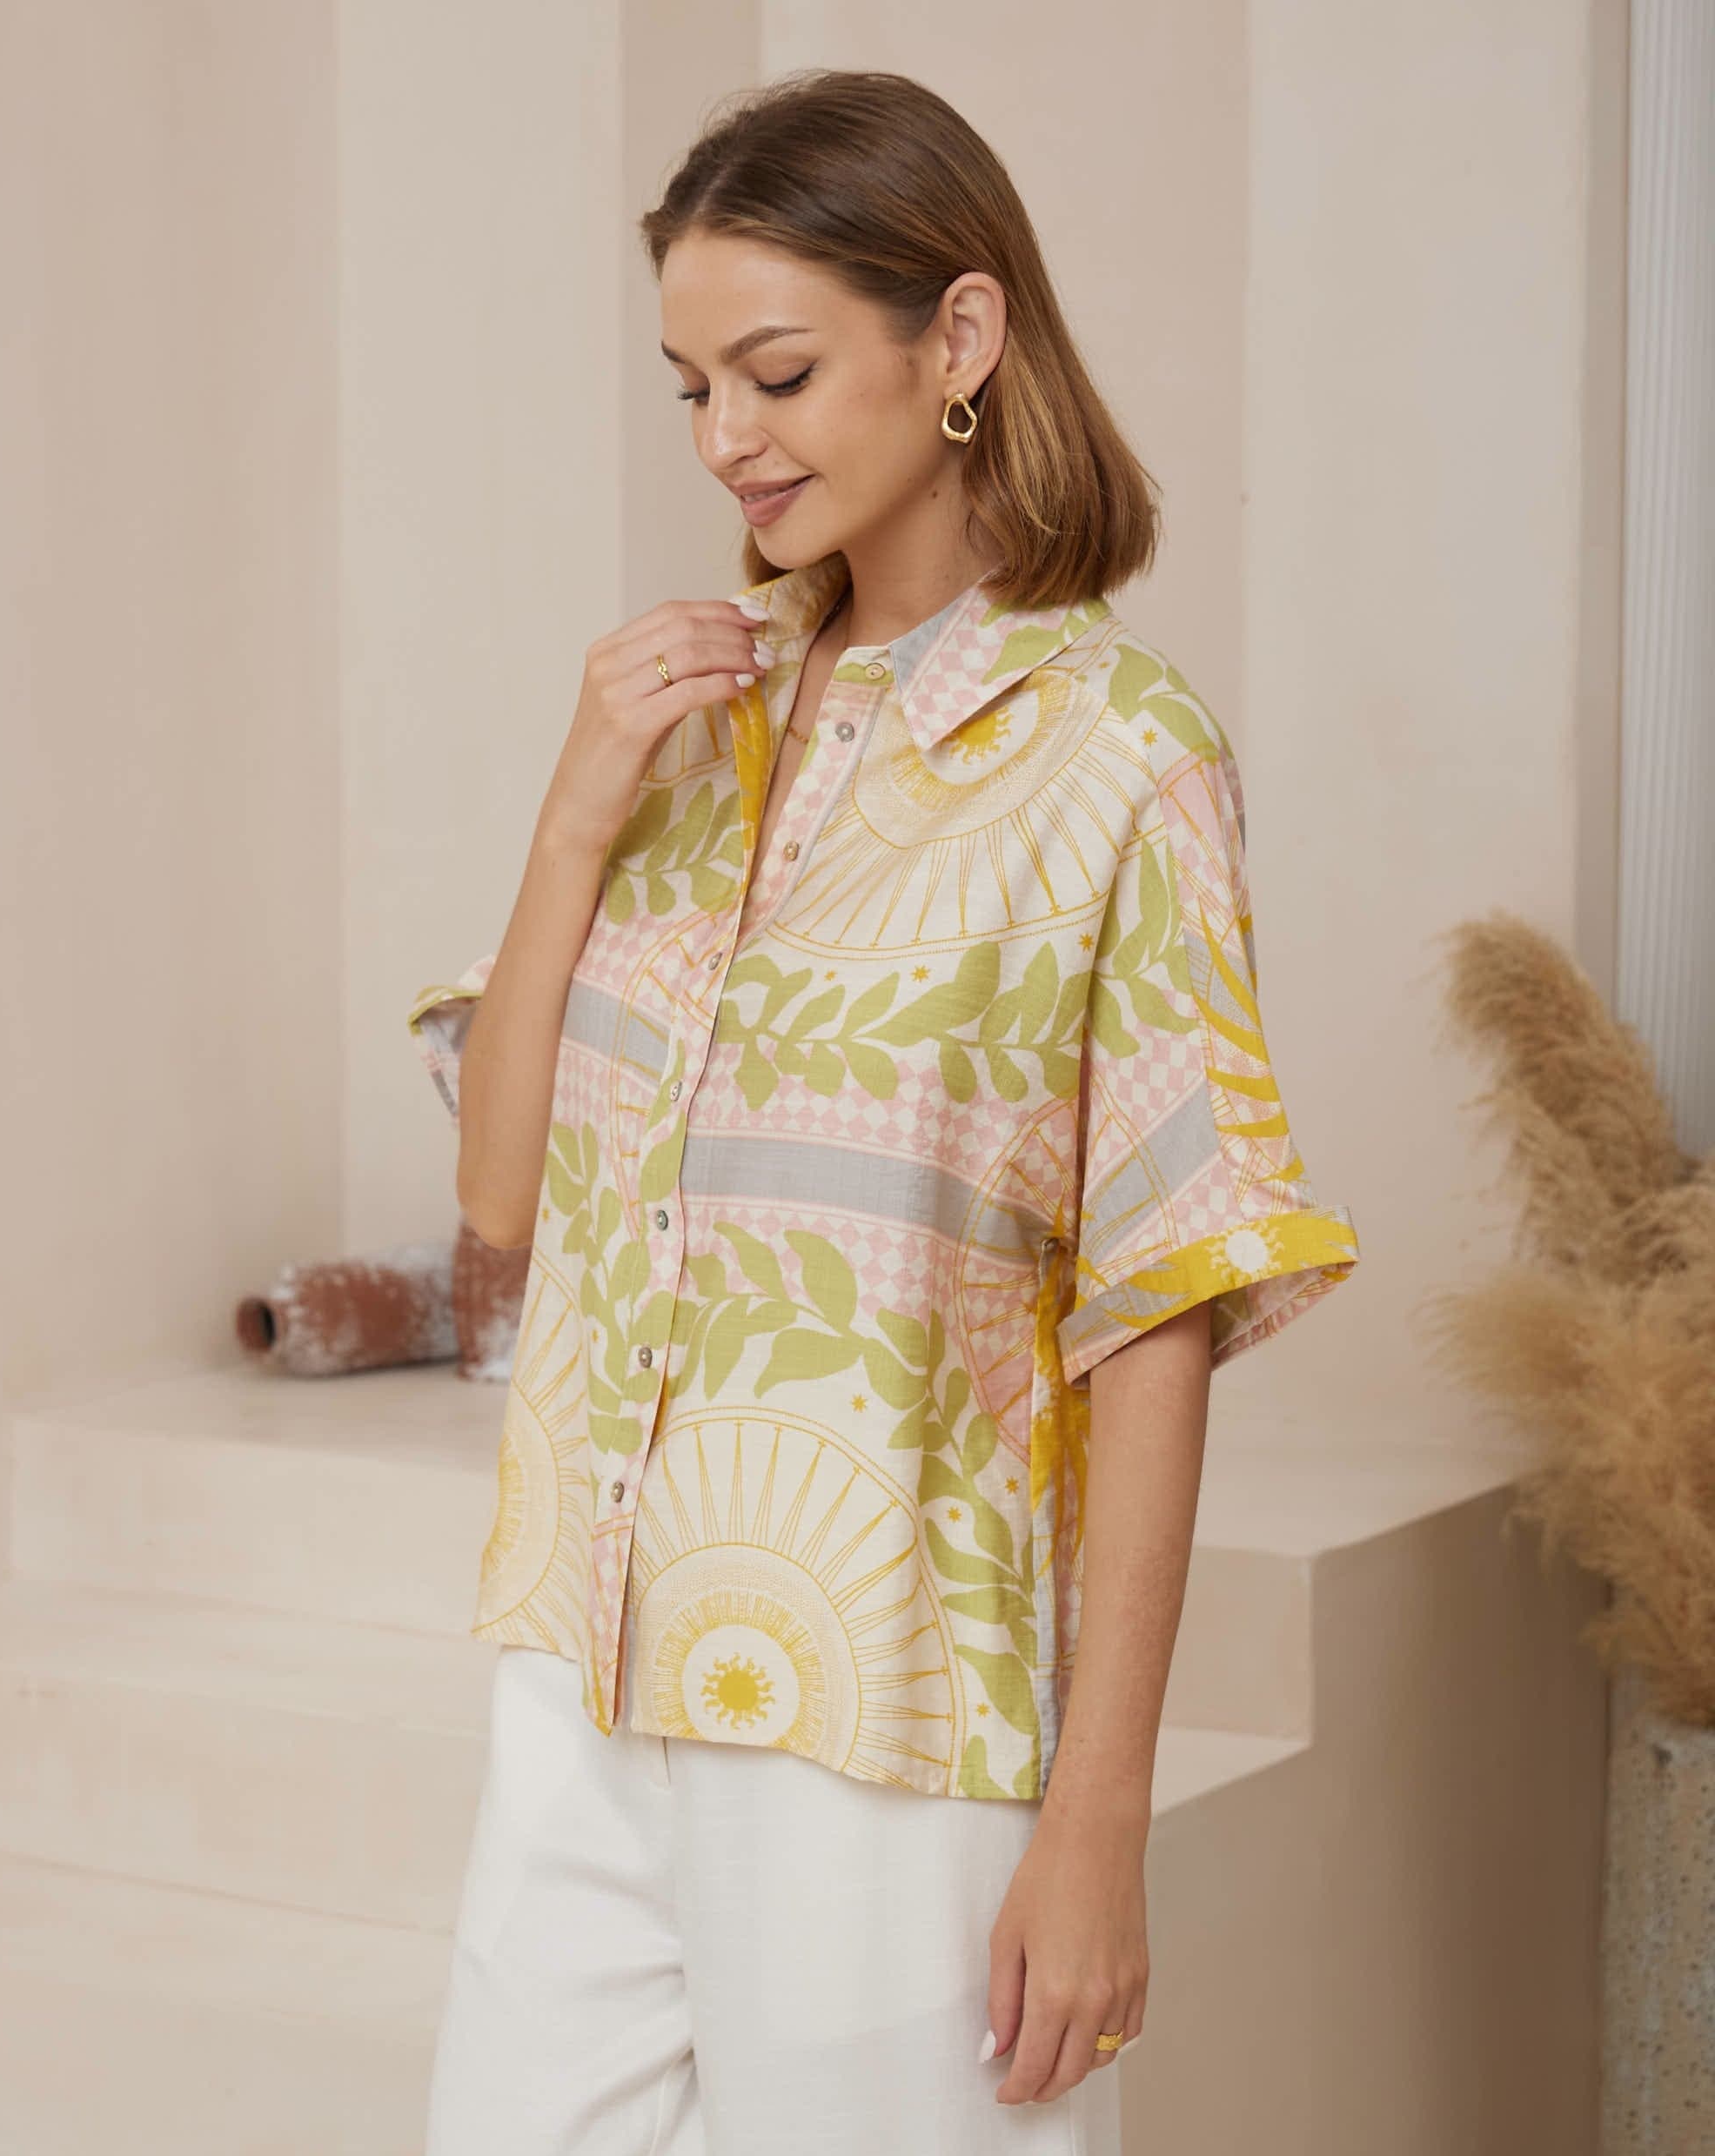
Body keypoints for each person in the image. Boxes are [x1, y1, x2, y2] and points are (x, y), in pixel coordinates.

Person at [407, 65, 1361, 2156]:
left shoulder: (1120, 755)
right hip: (583, 1659)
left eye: (775, 374)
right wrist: (573, 816)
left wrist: (1097, 1822)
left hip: (886, 1711)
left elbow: (1158, 1306)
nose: (725, 440)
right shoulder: (682, 718)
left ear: (959, 340)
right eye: (692, 390)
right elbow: (499, 1203)